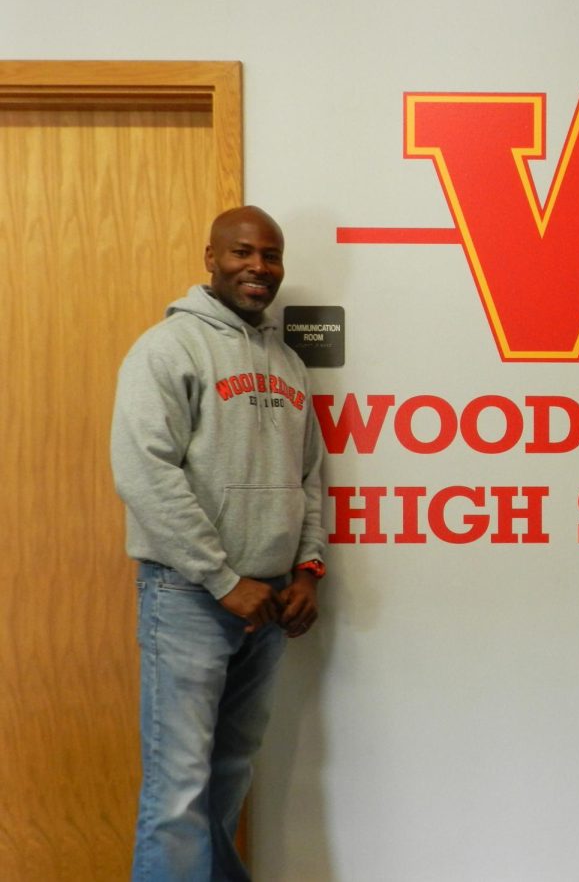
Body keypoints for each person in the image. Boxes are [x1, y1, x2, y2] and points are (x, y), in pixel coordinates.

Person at [111, 206, 327, 880]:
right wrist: (222, 578)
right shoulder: (168, 348)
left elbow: (310, 479)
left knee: (227, 779)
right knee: (177, 791)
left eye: (271, 255)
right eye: (242, 253)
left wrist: (307, 571)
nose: (258, 267)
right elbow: (144, 471)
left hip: (266, 607)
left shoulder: (288, 363)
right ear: (210, 257)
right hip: (189, 596)